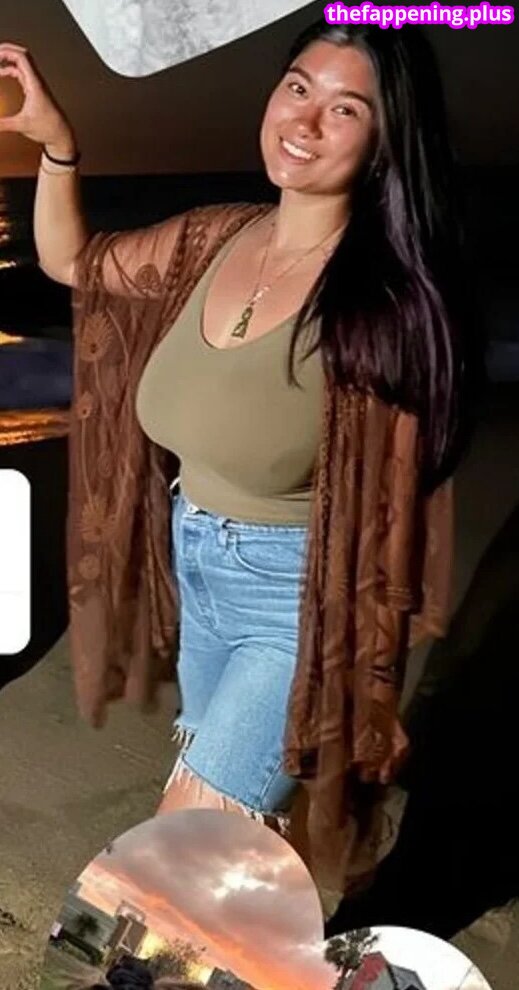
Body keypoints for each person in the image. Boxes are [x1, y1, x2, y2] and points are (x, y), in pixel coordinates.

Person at [0, 22, 481, 913]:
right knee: (233, 826)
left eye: (345, 109)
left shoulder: (384, 305)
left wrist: (353, 665)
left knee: (167, 864)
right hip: (199, 565)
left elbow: (403, 494)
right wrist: (59, 148)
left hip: (296, 600)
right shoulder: (214, 238)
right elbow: (74, 262)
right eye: (297, 87)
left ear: (385, 141)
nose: (305, 121)